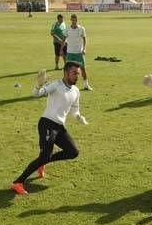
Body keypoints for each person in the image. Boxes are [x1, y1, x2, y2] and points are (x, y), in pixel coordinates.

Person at [10, 62, 88, 195]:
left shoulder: (76, 91)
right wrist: (39, 85)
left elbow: (75, 110)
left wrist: (79, 117)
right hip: (47, 123)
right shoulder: (56, 85)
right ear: (66, 72)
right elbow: (36, 94)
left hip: (59, 127)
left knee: (73, 152)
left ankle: (43, 162)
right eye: (74, 73)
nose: (77, 76)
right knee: (45, 155)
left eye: (78, 74)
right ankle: (17, 182)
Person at [62, 14, 92, 90]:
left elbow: (85, 39)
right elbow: (63, 39)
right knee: (67, 70)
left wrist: (84, 49)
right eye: (73, 20)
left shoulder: (82, 29)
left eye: (75, 20)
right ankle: (66, 86)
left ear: (77, 20)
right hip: (70, 53)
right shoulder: (67, 29)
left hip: (79, 53)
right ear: (71, 20)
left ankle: (86, 85)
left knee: (83, 69)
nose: (74, 21)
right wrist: (61, 50)